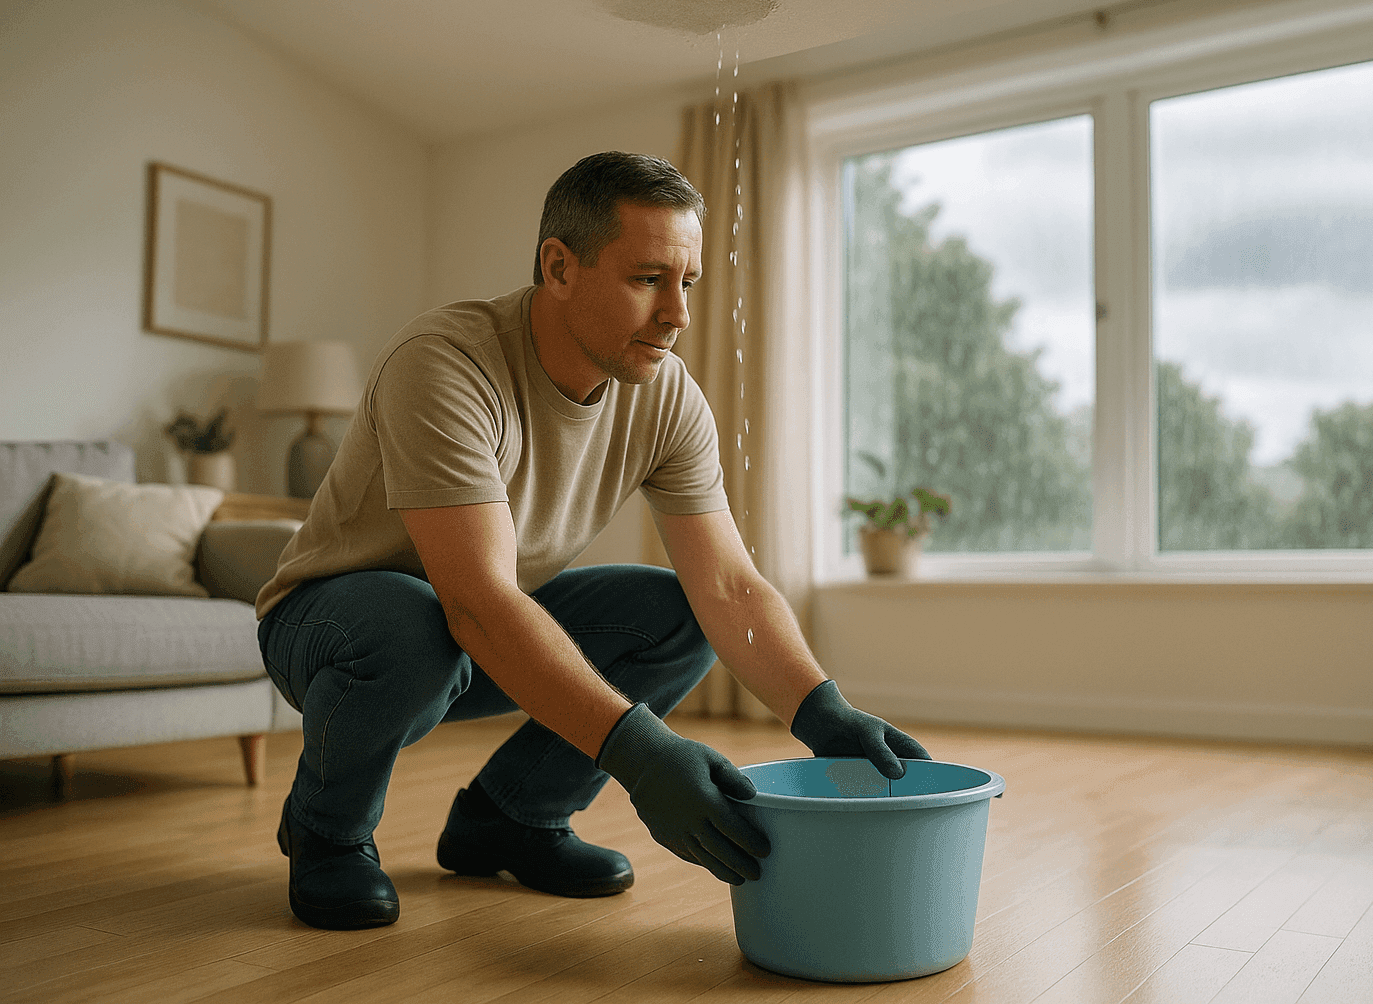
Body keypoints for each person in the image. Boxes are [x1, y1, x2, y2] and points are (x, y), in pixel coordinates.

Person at [254, 150, 930, 931]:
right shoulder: (444, 364)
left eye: (687, 283)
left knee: (677, 617)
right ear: (559, 266)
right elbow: (472, 603)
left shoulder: (667, 394)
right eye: (649, 279)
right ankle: (326, 830)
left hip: (478, 627)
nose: (677, 313)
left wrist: (823, 713)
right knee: (415, 626)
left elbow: (731, 590)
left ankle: (513, 819)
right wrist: (641, 756)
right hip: (335, 626)